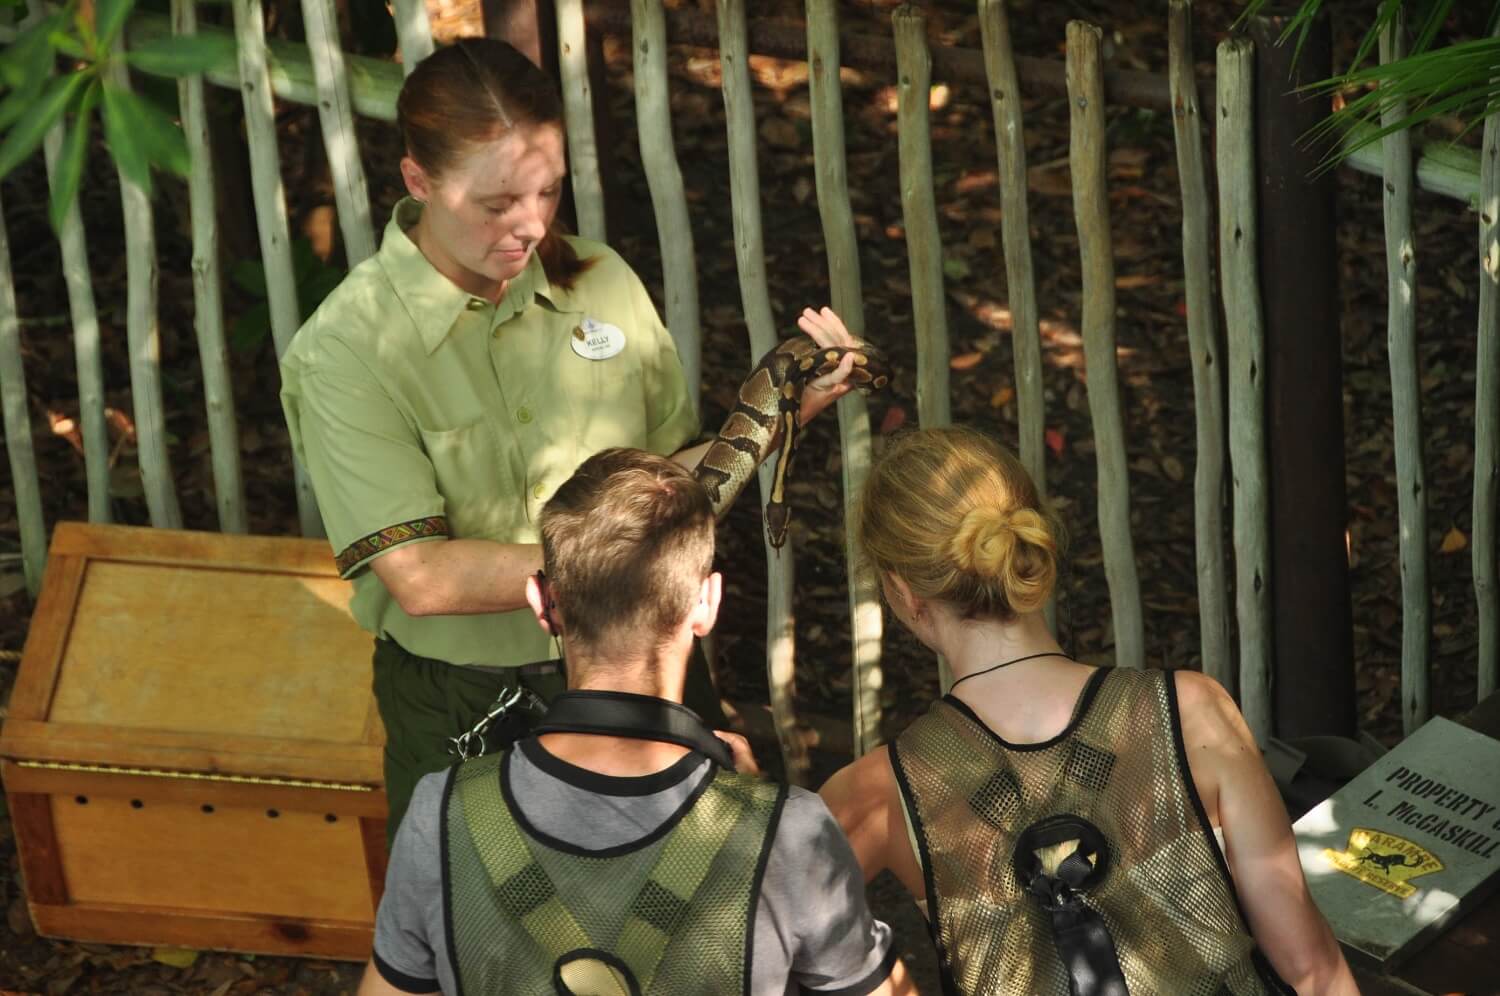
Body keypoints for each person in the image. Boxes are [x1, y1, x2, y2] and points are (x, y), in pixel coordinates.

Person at [279, 37, 859, 838]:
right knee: (484, 940)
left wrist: (781, 416)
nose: (530, 226)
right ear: (418, 181)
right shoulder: (347, 348)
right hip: (465, 696)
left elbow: (667, 481)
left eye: (547, 192)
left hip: (645, 666)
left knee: (686, 913)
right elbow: (421, 577)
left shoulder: (603, 280)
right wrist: (615, 568)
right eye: (495, 205)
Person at [355, 448, 916, 996]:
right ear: (707, 602)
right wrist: (755, 818)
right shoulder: (789, 834)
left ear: (542, 601)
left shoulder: (442, 814)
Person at [819, 427, 1358, 996]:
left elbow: (764, 929)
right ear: (1025, 542)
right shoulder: (1192, 712)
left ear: (902, 592)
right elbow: (1311, 969)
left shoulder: (880, 792)